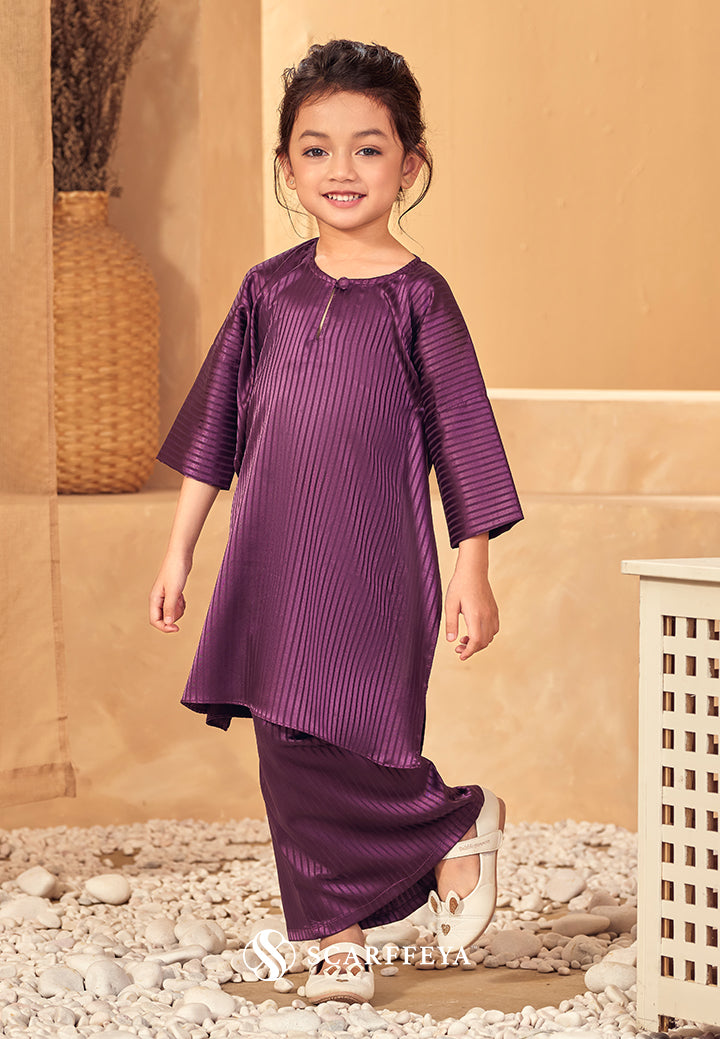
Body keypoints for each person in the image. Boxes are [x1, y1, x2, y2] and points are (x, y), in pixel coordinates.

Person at [149, 38, 523, 1006]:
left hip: (378, 564)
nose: (341, 169)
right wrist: (180, 551)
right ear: (286, 168)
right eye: (316, 149)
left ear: (410, 163)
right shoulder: (266, 291)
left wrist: (474, 568)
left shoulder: (420, 297)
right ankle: (337, 940)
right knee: (284, 742)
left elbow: (464, 439)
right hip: (270, 561)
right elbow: (215, 430)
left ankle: (453, 821)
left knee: (363, 734)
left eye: (368, 147)